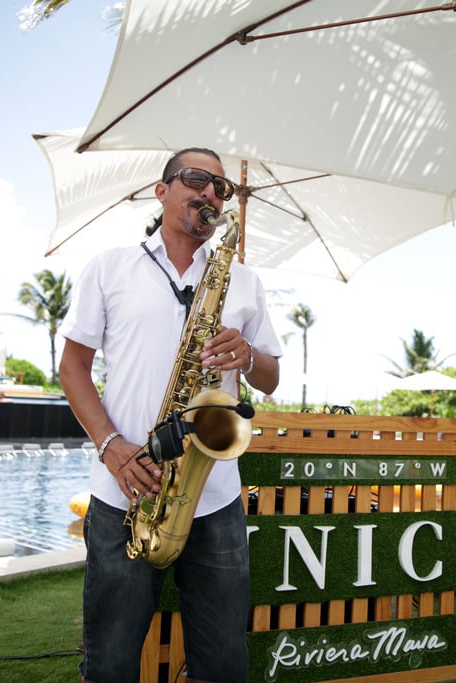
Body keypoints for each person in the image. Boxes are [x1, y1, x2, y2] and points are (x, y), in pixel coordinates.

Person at [59, 147, 281, 683]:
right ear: (162, 192)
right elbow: (72, 367)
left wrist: (248, 356)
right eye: (196, 179)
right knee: (110, 664)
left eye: (220, 188)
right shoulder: (110, 267)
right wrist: (112, 447)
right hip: (128, 490)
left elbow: (270, 378)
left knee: (224, 664)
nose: (210, 193)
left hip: (215, 493)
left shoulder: (243, 281)